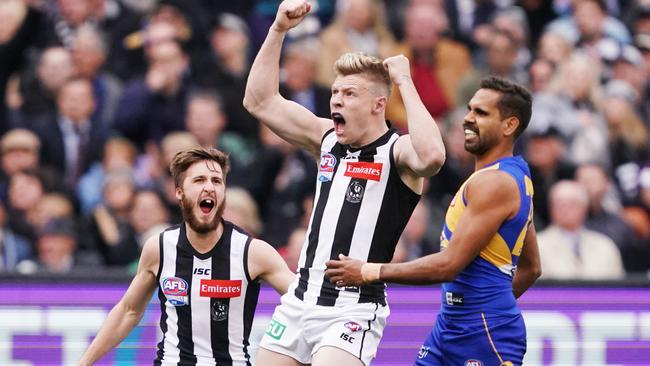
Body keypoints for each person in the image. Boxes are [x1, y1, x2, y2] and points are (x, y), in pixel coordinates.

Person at [242, 1, 446, 365]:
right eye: (336, 92)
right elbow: (259, 101)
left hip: (351, 307)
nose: (336, 99)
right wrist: (277, 31)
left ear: (377, 105)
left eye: (349, 94)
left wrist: (404, 80)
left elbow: (432, 156)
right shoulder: (327, 139)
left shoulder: (397, 152)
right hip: (299, 300)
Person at [326, 77, 542, 365]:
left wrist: (368, 271)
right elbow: (531, 267)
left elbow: (448, 265)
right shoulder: (512, 176)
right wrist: (483, 307)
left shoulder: (496, 183)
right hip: (454, 327)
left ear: (510, 125)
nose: (467, 118)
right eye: (469, 109)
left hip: (483, 334)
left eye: (481, 113)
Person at [78, 147, 295, 365]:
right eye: (199, 180)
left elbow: (305, 302)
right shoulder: (160, 247)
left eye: (216, 181)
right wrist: (84, 362)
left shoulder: (253, 252)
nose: (209, 187)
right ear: (179, 193)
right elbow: (129, 311)